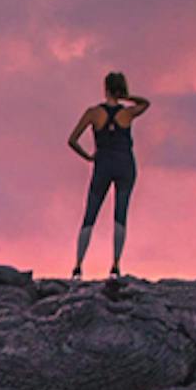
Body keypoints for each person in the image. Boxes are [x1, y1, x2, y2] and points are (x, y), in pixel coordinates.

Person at [67, 71, 150, 280]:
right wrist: (126, 96)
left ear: (105, 88)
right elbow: (146, 103)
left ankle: (78, 266)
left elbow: (72, 140)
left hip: (103, 163)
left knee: (90, 213)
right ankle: (115, 265)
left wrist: (88, 156)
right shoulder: (127, 114)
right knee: (120, 215)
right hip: (125, 164)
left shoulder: (93, 113)